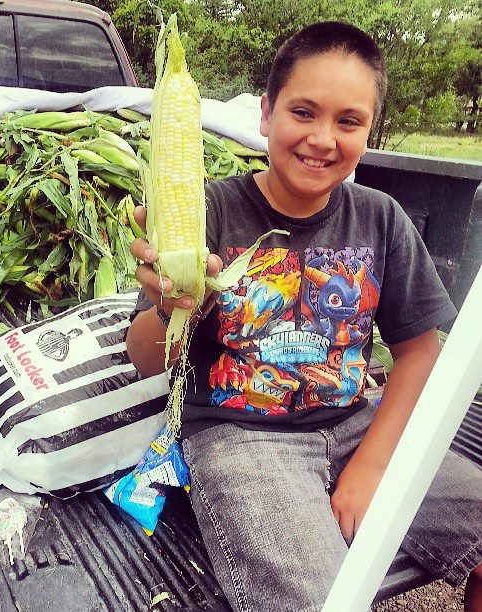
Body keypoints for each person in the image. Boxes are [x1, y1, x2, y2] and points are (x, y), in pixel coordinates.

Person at [126, 21, 482, 612]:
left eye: (348, 121)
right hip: (244, 439)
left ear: (370, 130)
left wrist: (373, 466)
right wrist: (172, 306)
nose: (322, 138)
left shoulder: (382, 218)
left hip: (354, 423)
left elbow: (421, 350)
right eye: (303, 112)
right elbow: (143, 359)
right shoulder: (207, 209)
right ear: (266, 114)